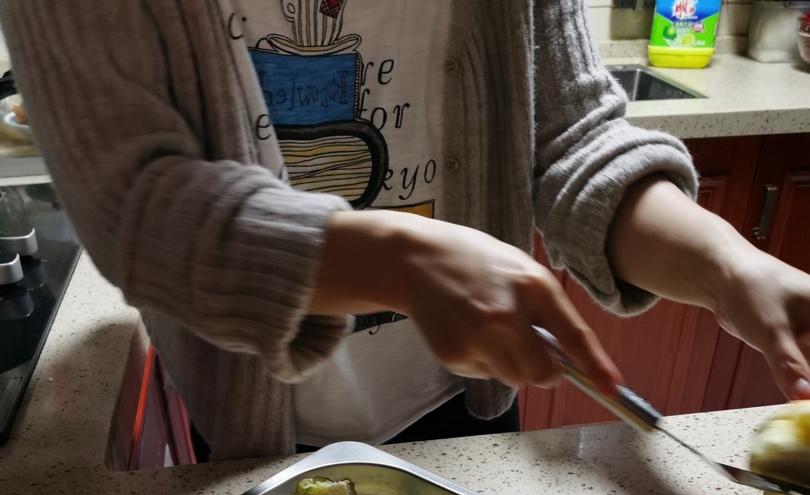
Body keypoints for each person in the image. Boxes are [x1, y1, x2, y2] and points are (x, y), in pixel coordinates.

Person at [2, 0, 809, 461]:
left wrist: (727, 266)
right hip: (247, 424)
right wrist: (401, 260)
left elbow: (571, 136)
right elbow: (137, 205)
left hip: (465, 406)